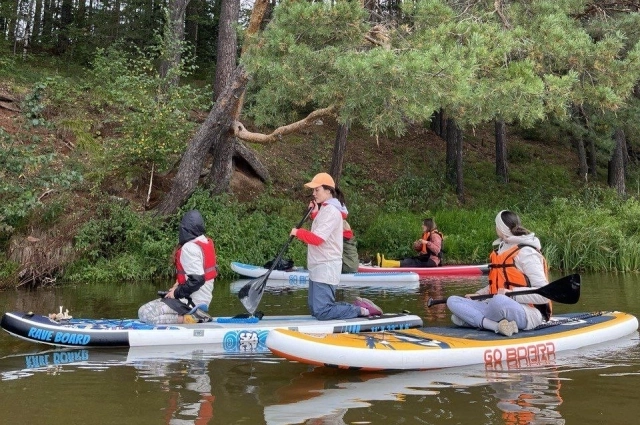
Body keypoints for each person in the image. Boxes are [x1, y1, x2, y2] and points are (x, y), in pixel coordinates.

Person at [290, 172, 383, 320]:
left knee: (322, 311)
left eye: (317, 190)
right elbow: (322, 227)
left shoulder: (332, 211)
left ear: (328, 191)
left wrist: (298, 232)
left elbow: (318, 238)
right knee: (316, 309)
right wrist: (314, 213)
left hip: (325, 266)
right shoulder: (325, 209)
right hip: (317, 266)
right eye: (313, 190)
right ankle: (358, 308)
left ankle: (362, 311)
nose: (313, 194)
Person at [446, 210, 550, 337]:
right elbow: (498, 284)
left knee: (494, 302)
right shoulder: (501, 250)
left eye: (496, 225)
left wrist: (511, 295)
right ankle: (496, 326)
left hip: (528, 311)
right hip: (496, 306)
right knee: (453, 300)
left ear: (500, 227)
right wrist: (479, 294)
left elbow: (544, 294)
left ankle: (476, 320)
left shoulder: (527, 252)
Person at [138, 210, 217, 324]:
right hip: (202, 300)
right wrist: (177, 286)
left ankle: (191, 318)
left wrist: (176, 293)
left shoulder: (189, 248)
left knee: (145, 313)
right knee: (152, 306)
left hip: (189, 302)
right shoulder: (204, 241)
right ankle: (195, 315)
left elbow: (197, 280)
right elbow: (195, 273)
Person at [377, 218, 443, 268]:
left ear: (428, 226)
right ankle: (385, 262)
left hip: (432, 261)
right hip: (426, 257)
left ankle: (386, 264)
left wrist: (426, 242)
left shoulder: (435, 235)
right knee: (406, 259)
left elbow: (437, 250)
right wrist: (417, 245)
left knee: (411, 262)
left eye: (423, 225)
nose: (422, 226)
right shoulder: (426, 234)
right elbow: (419, 249)